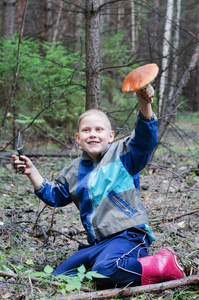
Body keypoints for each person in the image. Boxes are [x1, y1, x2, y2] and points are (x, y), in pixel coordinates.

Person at [12, 84, 185, 287]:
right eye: (86, 130)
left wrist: (144, 104)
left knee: (104, 272)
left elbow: (145, 140)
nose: (93, 134)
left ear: (110, 136)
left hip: (128, 235)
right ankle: (104, 264)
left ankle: (161, 264)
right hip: (98, 244)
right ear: (78, 139)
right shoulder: (73, 171)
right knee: (58, 278)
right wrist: (32, 172)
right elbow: (55, 196)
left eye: (99, 129)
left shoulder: (123, 155)